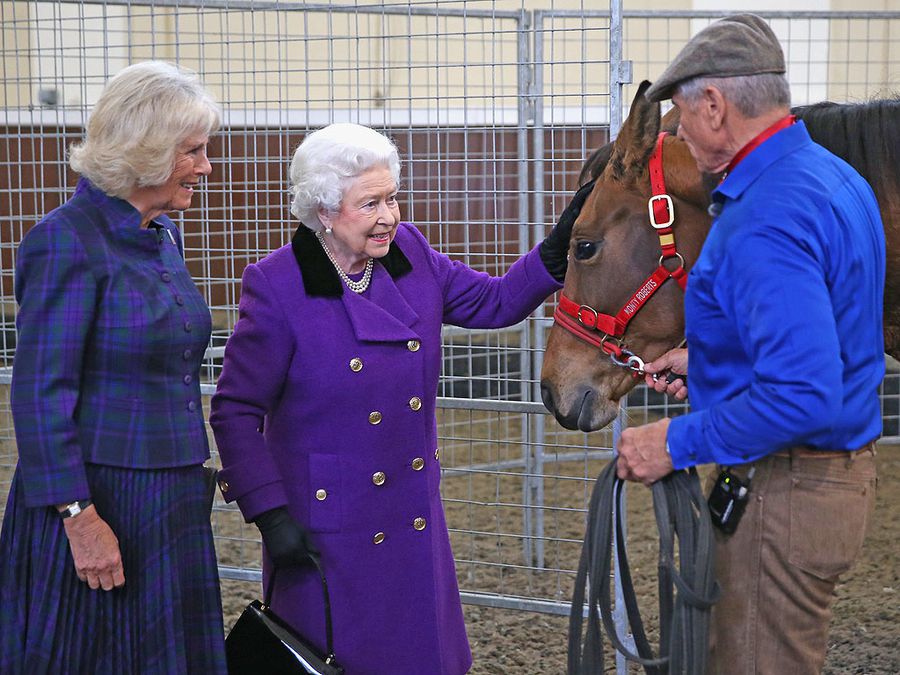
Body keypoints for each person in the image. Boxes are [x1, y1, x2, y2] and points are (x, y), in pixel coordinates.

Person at [210, 122, 591, 674]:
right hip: (326, 528)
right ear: (324, 210)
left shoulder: (408, 252)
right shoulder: (277, 285)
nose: (389, 215)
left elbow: (495, 303)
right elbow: (235, 411)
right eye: (370, 203)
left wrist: (557, 251)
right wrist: (269, 514)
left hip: (410, 509)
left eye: (392, 197)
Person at [615, 14, 884, 675]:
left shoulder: (766, 216)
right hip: (815, 482)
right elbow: (831, 335)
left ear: (714, 104)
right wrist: (711, 363)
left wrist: (672, 441)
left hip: (784, 490)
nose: (676, 131)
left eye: (680, 114)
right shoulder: (830, 177)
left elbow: (802, 394)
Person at [0, 61, 226, 673]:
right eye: (193, 152)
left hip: (170, 493)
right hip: (101, 500)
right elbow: (42, 394)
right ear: (148, 152)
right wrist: (79, 518)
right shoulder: (65, 240)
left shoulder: (163, 233)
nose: (206, 167)